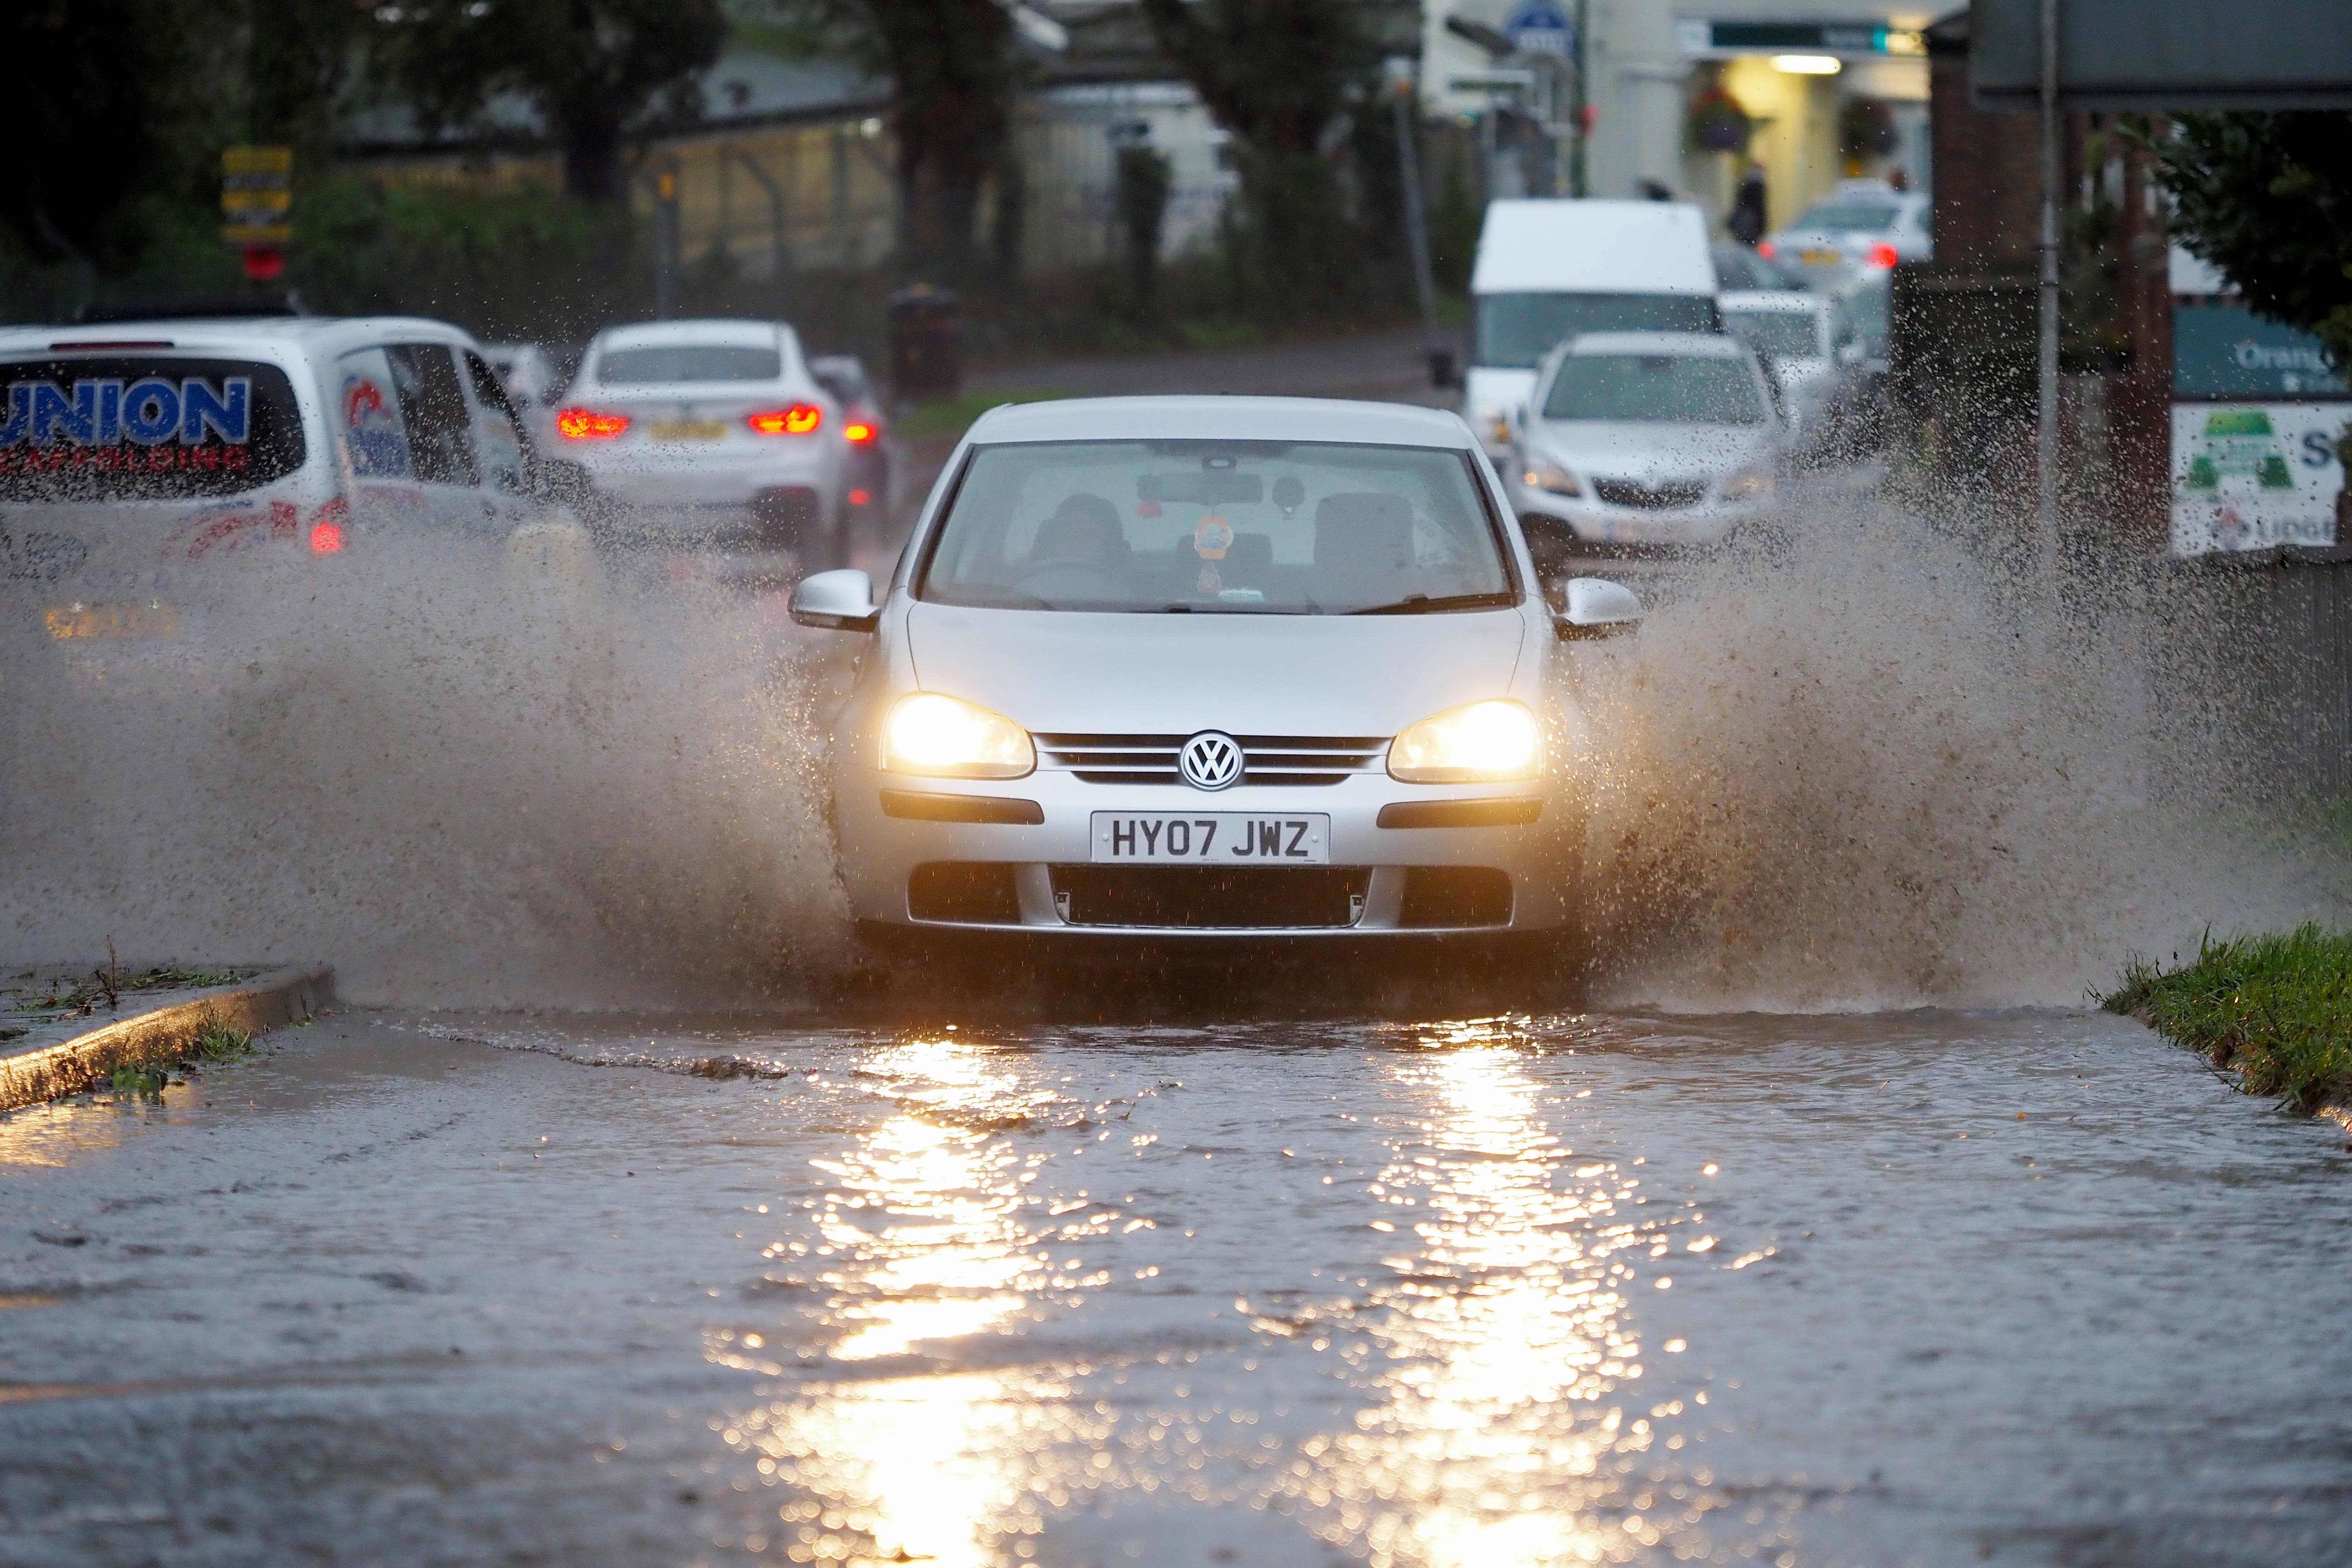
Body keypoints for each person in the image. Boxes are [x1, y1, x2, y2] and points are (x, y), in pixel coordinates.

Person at [1727, 162, 1768, 247]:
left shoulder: (1746, 183)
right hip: (1751, 224)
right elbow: (1759, 207)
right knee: (1749, 247)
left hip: (1745, 224)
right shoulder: (1757, 186)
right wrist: (1762, 225)